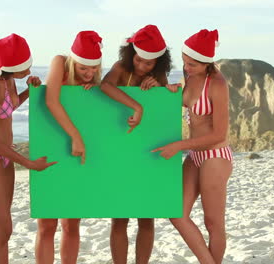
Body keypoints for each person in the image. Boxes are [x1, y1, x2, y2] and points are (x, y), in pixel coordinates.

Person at [0, 33, 57, 264]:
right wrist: (29, 163)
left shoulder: (7, 79)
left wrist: (30, 89)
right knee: (1, 231)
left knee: (3, 230)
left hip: (3, 158)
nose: (28, 71)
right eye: (24, 69)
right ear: (9, 67)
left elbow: (10, 106)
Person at [152, 29, 233, 264]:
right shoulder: (190, 77)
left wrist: (179, 145)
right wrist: (162, 88)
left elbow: (219, 134)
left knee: (213, 222)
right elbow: (179, 102)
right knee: (176, 213)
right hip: (195, 156)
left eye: (193, 65)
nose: (187, 68)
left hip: (215, 156)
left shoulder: (217, 84)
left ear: (207, 63)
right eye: (185, 62)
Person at [100, 25, 173, 264]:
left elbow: (167, 105)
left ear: (158, 64)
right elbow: (105, 85)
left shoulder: (157, 76)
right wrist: (137, 106)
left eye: (149, 64)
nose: (142, 67)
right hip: (120, 153)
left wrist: (161, 88)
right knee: (119, 218)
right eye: (139, 60)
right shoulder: (121, 68)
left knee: (146, 216)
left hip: (146, 154)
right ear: (131, 54)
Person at [35, 30, 103, 264]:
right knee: (46, 224)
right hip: (51, 149)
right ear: (74, 62)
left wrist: (94, 89)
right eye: (84, 68)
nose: (89, 73)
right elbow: (51, 100)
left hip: (76, 156)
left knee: (72, 223)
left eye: (94, 68)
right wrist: (76, 136)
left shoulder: (92, 81)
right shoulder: (59, 62)